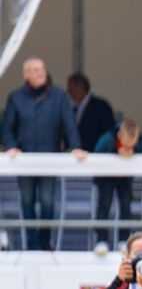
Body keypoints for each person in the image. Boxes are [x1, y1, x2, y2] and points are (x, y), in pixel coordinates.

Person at [2, 56, 86, 249]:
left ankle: (45, 242)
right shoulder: (16, 97)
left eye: (42, 69)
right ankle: (32, 244)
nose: (40, 73)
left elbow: (69, 125)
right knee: (27, 201)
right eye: (34, 70)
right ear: (25, 75)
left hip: (50, 159)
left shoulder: (59, 96)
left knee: (48, 201)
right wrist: (11, 146)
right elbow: (7, 128)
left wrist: (75, 147)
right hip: (24, 161)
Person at [92, 116, 142, 249]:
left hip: (125, 178)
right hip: (106, 178)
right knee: (104, 205)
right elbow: (96, 156)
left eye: (131, 145)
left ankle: (124, 239)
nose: (128, 147)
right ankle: (101, 240)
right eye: (126, 144)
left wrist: (134, 152)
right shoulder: (107, 140)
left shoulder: (139, 141)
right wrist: (115, 154)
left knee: (126, 206)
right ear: (120, 135)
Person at [67, 72, 117, 154]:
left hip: (96, 156)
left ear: (80, 87)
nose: (69, 92)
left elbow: (109, 134)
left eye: (71, 89)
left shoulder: (100, 106)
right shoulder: (70, 108)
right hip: (75, 155)